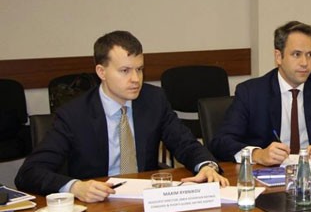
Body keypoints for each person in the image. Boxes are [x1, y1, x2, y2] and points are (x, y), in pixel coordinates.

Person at [15, 31, 229, 202]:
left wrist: (206, 166)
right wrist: (75, 187)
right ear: (101, 72)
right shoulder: (74, 115)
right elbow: (29, 172)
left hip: (146, 200)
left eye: (139, 69)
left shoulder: (153, 100)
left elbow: (184, 143)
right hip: (96, 206)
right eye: (125, 71)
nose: (136, 79)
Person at [210, 21, 311, 166]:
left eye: (310, 55)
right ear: (279, 57)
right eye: (296, 54)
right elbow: (221, 142)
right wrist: (258, 154)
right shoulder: (251, 92)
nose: (305, 63)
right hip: (268, 175)